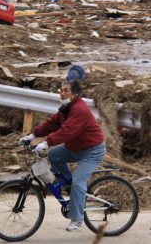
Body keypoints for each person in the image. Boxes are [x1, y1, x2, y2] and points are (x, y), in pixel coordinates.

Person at [19, 80, 106, 231]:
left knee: (79, 182)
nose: (62, 93)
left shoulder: (80, 110)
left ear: (75, 94)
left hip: (92, 151)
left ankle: (78, 218)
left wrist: (46, 143)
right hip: (76, 148)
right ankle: (70, 185)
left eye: (66, 90)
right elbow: (52, 123)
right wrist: (32, 135)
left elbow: (67, 131)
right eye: (61, 90)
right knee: (54, 154)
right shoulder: (66, 109)